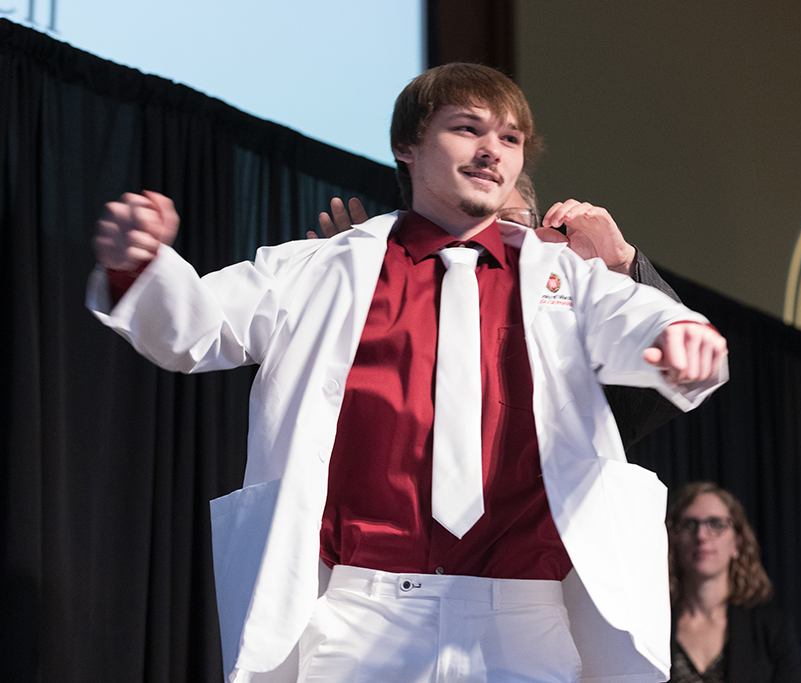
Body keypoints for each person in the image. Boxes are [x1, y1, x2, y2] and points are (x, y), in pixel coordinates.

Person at [88, 63, 728, 683]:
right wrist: (141, 270)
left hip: (524, 619)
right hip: (363, 614)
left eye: (510, 138)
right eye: (467, 129)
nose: (491, 152)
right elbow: (199, 327)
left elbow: (635, 317)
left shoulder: (563, 275)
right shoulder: (325, 268)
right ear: (407, 145)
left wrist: (679, 336)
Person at [314, 173, 685, 450]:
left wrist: (621, 264)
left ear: (542, 233)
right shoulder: (390, 321)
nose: (490, 240)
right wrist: (357, 304)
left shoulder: (579, 330)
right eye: (472, 226)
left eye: (509, 222)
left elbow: (673, 378)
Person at [667, 481, 801, 683]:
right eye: (689, 525)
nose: (701, 535)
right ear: (674, 540)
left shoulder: (772, 625)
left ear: (737, 544)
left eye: (715, 524)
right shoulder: (652, 624)